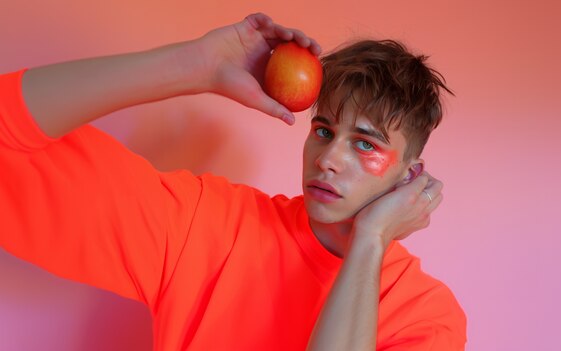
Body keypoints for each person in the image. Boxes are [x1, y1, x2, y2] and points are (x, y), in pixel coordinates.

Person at [0, 12, 466, 351]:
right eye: (323, 131)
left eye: (365, 144)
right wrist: (191, 66)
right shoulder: (207, 225)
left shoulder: (427, 317)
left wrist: (371, 239)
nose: (328, 159)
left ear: (410, 176)